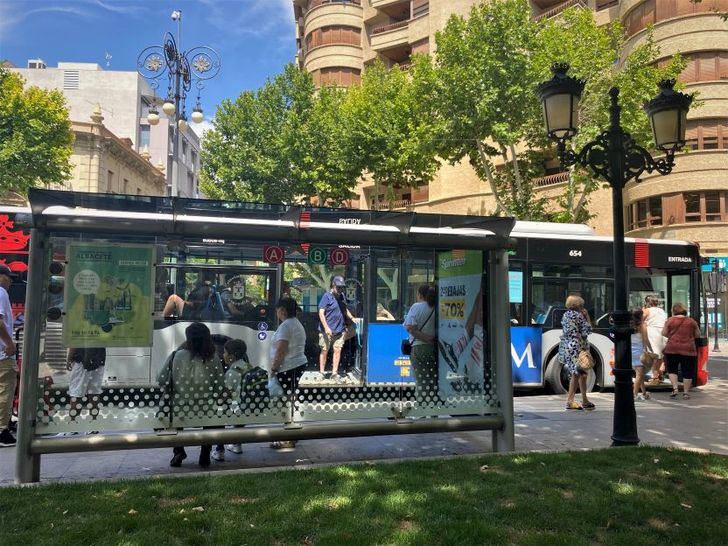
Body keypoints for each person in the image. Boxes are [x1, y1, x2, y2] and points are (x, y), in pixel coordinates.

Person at [157, 322, 224, 468]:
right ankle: (205, 454)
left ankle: (178, 451)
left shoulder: (176, 355)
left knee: (173, 420)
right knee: (211, 422)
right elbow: (220, 387)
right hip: (206, 409)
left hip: (179, 409)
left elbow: (161, 379)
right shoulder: (213, 358)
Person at [269, 297, 308, 450]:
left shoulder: (286, 326)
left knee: (285, 401)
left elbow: (281, 350)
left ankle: (289, 437)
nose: (277, 313)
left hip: (288, 367)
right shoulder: (296, 324)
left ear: (283, 310)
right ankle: (291, 434)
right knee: (290, 399)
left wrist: (274, 369)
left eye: (278, 310)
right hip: (296, 365)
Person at [218, 338, 262, 457]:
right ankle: (236, 444)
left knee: (220, 411)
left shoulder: (231, 373)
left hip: (236, 409)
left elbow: (226, 393)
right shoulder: (248, 366)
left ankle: (218, 450)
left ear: (232, 356)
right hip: (249, 406)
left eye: (225, 353)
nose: (223, 355)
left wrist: (217, 402)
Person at [559, 295, 595, 411]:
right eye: (582, 305)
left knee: (582, 374)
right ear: (577, 305)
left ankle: (584, 400)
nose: (583, 307)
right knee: (576, 374)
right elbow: (587, 331)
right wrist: (587, 317)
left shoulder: (565, 315)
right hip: (578, 347)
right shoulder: (578, 315)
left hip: (568, 346)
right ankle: (570, 401)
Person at [318, 275, 356, 381]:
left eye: (342, 287)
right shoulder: (326, 296)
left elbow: (344, 309)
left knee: (337, 350)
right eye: (338, 287)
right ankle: (321, 372)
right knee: (324, 350)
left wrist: (352, 318)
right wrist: (326, 328)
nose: (340, 289)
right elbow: (321, 312)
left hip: (340, 329)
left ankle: (334, 373)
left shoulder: (342, 296)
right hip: (327, 330)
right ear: (333, 285)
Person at [404, 285, 438, 403]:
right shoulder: (436, 307)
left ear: (420, 295)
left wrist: (426, 338)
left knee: (421, 380)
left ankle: (422, 412)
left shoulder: (416, 307)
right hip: (434, 348)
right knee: (433, 379)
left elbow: (410, 328)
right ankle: (433, 411)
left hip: (419, 347)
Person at [661, 303, 700, 400]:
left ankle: (675, 389)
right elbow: (698, 334)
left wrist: (673, 336)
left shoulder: (670, 320)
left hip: (672, 349)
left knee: (672, 369)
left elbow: (664, 333)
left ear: (673, 311)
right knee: (687, 371)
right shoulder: (691, 321)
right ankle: (686, 393)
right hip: (688, 350)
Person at [0, 265, 17, 447]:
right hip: (3, 354)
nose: (10, 280)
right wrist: (9, 344)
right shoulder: (1, 292)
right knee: (5, 390)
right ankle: (1, 430)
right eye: (8, 276)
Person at [66, 347, 107, 423]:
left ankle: (73, 425)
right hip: (98, 361)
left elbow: (75, 342)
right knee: (94, 393)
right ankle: (94, 423)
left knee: (76, 394)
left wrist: (69, 358)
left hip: (81, 361)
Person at [642, 295, 667, 386]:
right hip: (663, 333)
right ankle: (658, 374)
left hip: (653, 333)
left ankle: (655, 377)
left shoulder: (647, 311)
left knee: (653, 356)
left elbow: (639, 320)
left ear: (647, 302)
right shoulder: (662, 311)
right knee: (659, 355)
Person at [630, 309, 650, 402]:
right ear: (641, 316)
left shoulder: (629, 325)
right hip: (639, 351)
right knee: (639, 374)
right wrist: (648, 349)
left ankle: (644, 393)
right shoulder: (642, 326)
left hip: (630, 351)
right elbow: (645, 339)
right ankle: (634, 394)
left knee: (640, 374)